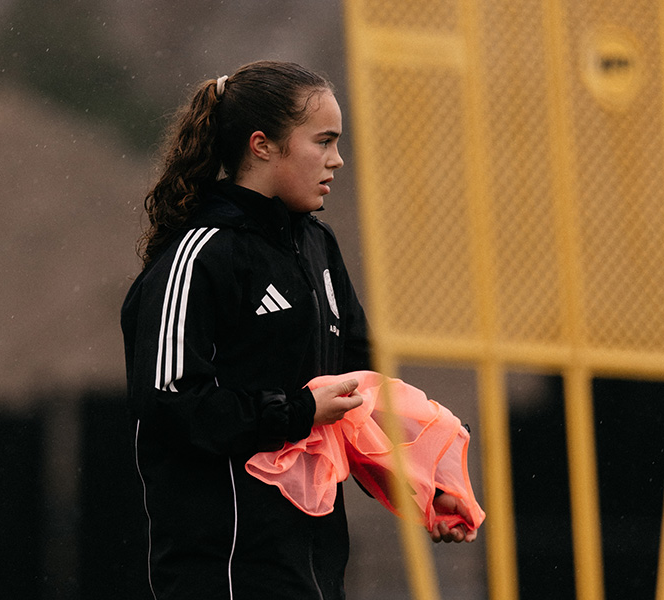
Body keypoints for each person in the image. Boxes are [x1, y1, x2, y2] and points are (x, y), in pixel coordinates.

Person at [121, 61, 478, 600]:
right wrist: (296, 413)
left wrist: (423, 484)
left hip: (314, 567)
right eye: (325, 141)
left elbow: (360, 393)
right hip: (227, 568)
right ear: (263, 145)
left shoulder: (318, 246)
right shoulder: (199, 255)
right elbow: (171, 401)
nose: (337, 160)